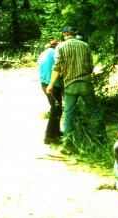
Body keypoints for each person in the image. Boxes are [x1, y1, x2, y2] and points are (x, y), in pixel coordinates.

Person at [46, 26, 106, 154]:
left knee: (68, 115)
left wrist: (51, 84)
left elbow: (57, 67)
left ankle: (67, 145)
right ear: (73, 34)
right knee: (95, 111)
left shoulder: (60, 47)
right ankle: (102, 140)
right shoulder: (85, 45)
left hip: (70, 84)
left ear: (64, 35)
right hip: (86, 83)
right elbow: (90, 66)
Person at [38, 40, 63, 145]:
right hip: (52, 85)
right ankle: (49, 136)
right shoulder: (55, 53)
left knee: (57, 108)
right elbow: (60, 68)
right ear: (56, 46)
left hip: (44, 83)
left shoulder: (42, 54)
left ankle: (56, 131)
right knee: (55, 109)